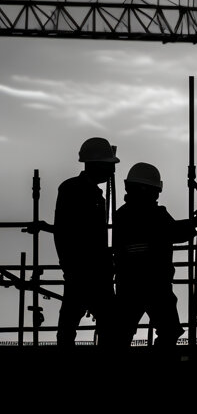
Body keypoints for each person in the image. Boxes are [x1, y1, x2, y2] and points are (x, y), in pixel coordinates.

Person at [110, 162, 197, 347]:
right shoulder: (154, 214)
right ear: (145, 189)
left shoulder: (122, 215)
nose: (157, 195)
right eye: (155, 191)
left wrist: (192, 222)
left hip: (128, 283)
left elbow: (167, 230)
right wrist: (196, 222)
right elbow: (174, 232)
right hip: (155, 284)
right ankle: (160, 367)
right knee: (169, 329)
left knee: (120, 333)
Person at [54, 137, 120, 347]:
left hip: (94, 270)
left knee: (83, 323)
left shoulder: (92, 194)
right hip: (84, 270)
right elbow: (64, 232)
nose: (112, 170)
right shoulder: (74, 191)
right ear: (97, 163)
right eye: (109, 165)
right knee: (73, 323)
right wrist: (70, 266)